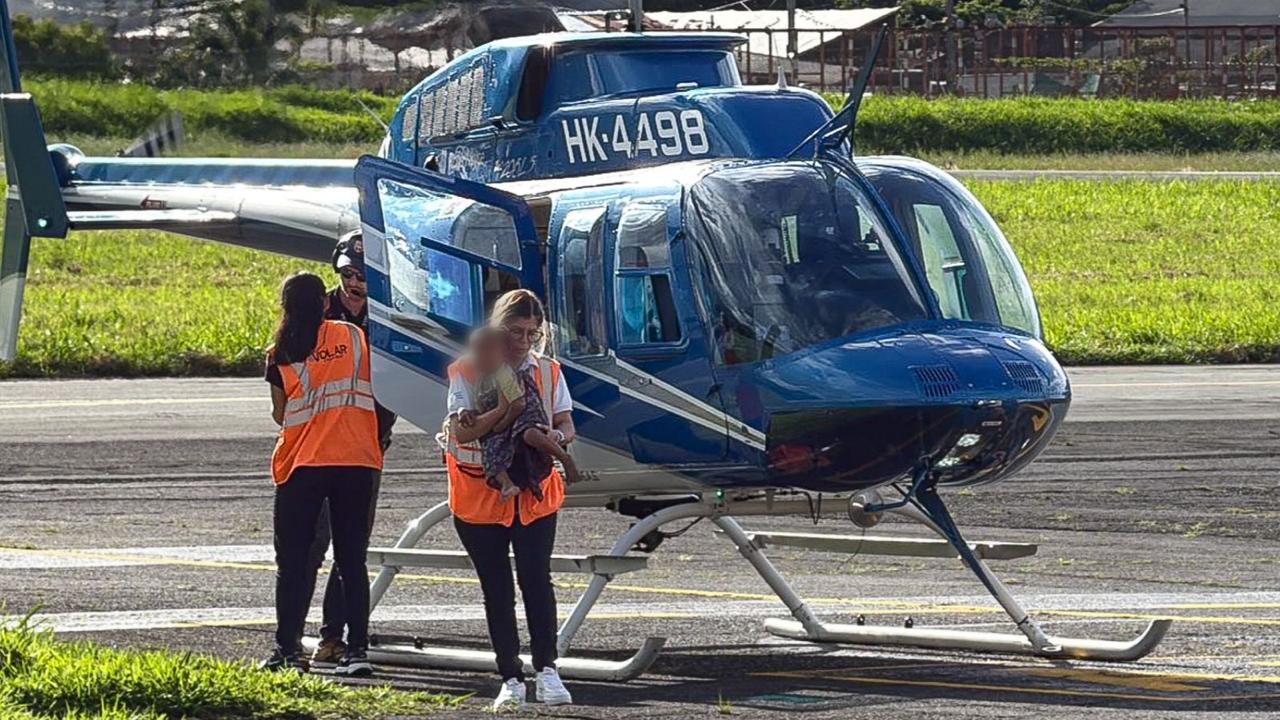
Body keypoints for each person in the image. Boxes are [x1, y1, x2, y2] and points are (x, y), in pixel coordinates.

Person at [444, 289, 576, 710]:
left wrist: (557, 438)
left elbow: (566, 421)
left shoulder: (550, 371)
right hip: (479, 499)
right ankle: (510, 676)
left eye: (533, 334)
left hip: (535, 498)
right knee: (496, 589)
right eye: (516, 332)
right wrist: (504, 412)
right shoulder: (466, 370)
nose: (524, 342)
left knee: (537, 581)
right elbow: (461, 431)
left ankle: (548, 669)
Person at [261, 272, 382, 677]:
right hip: (357, 459)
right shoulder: (352, 337)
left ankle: (288, 649)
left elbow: (281, 414)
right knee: (352, 561)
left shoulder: (280, 351)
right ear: (324, 304)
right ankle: (357, 650)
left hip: (304, 463)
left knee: (293, 562)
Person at [293, 236, 397, 669]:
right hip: (315, 447)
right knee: (308, 545)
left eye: (362, 275)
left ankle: (334, 636)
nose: (353, 283)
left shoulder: (392, 320)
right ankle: (290, 637)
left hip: (366, 448)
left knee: (350, 550)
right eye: (347, 274)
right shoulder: (316, 314)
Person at [463, 326, 586, 500]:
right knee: (491, 451)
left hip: (524, 414)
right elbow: (482, 406)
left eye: (487, 352)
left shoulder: (503, 374)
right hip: (505, 420)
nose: (480, 358)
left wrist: (500, 425)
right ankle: (507, 485)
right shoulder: (481, 379)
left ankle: (564, 458)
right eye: (477, 352)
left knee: (530, 433)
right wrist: (466, 412)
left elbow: (518, 404)